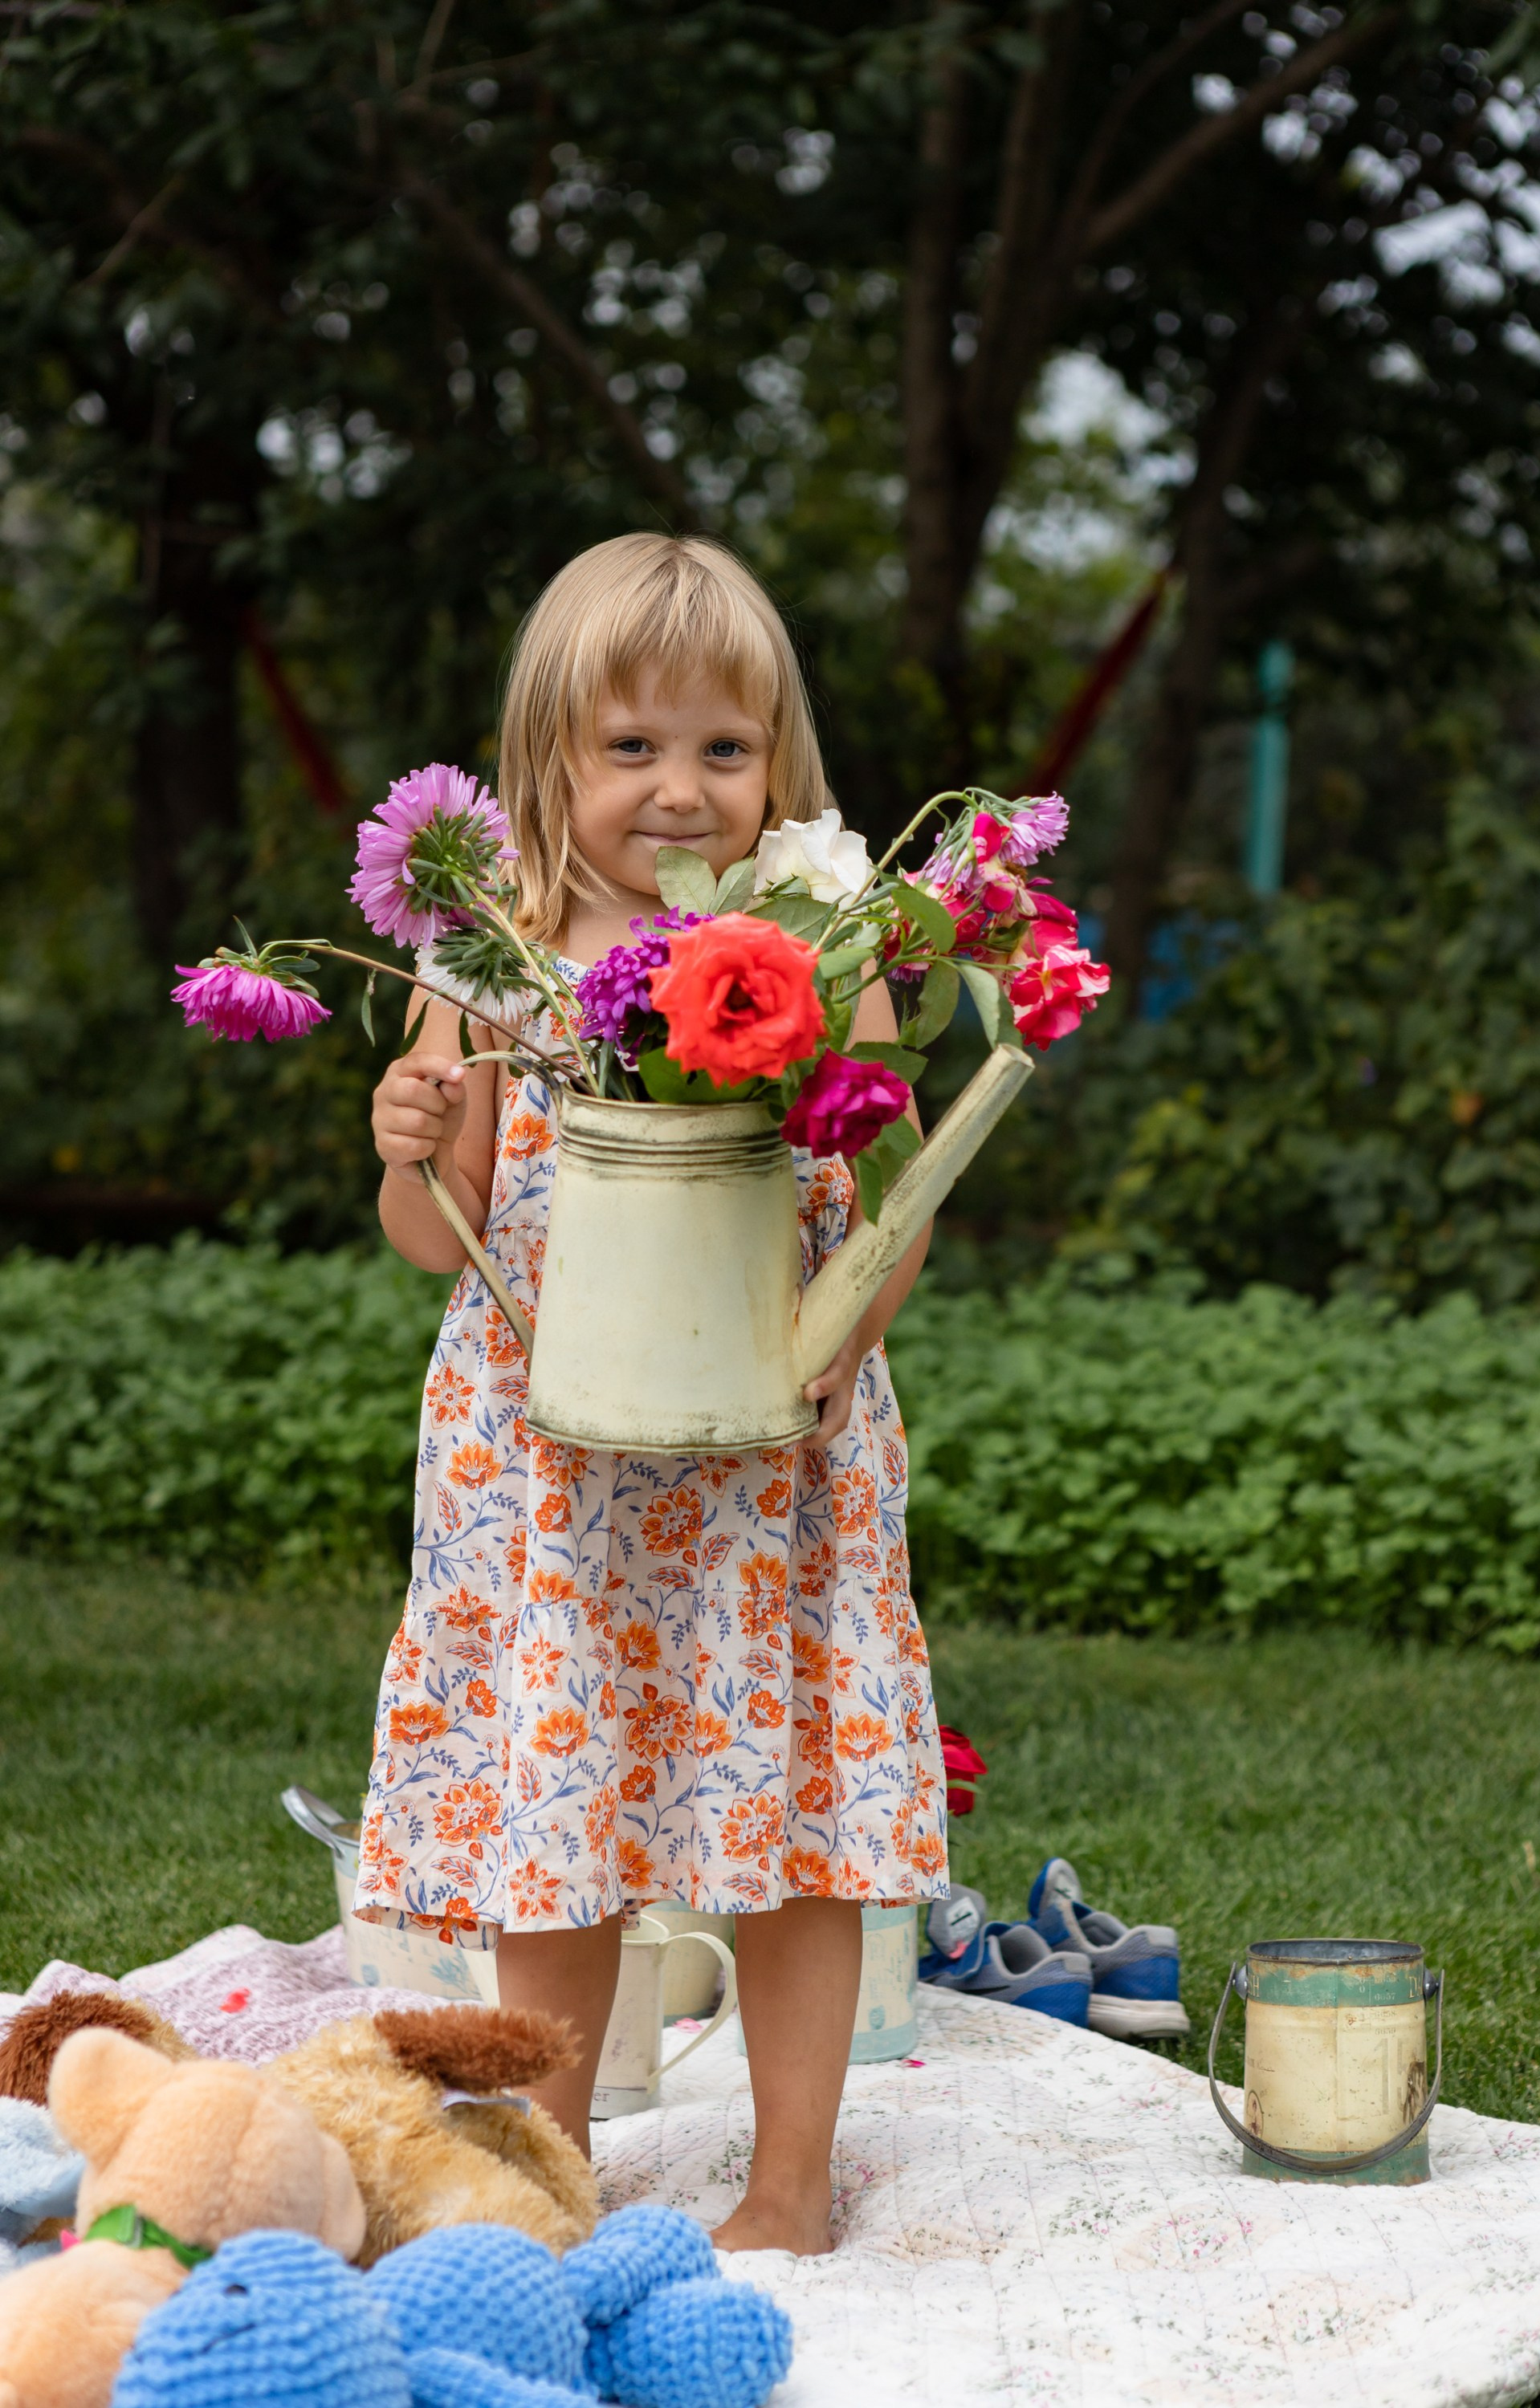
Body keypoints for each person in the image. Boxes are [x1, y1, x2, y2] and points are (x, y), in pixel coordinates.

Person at [356, 533, 947, 2257]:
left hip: (775, 1452)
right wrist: (413, 1138)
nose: (677, 791)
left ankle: (791, 2175)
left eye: (722, 749)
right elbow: (425, 1236)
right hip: (547, 1462)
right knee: (563, 1805)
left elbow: (891, 1189)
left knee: (793, 1827)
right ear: (548, 760)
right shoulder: (493, 959)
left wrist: (840, 1337)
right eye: (630, 749)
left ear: (780, 765)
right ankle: (546, 2164)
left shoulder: (824, 953)